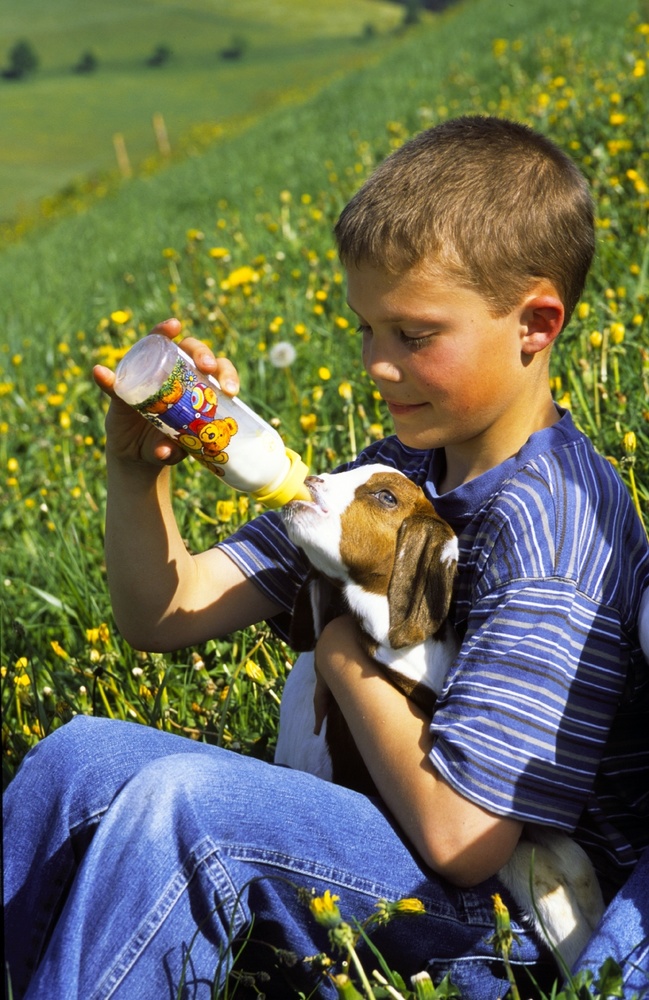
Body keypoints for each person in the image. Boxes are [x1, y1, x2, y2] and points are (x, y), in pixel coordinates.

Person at [4, 116, 649, 1000]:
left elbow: (467, 840)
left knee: (183, 808)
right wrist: (135, 471)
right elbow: (166, 613)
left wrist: (343, 655)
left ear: (534, 324)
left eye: (413, 335)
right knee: (77, 760)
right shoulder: (397, 472)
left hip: (515, 922)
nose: (378, 365)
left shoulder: (551, 533)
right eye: (365, 330)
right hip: (394, 841)